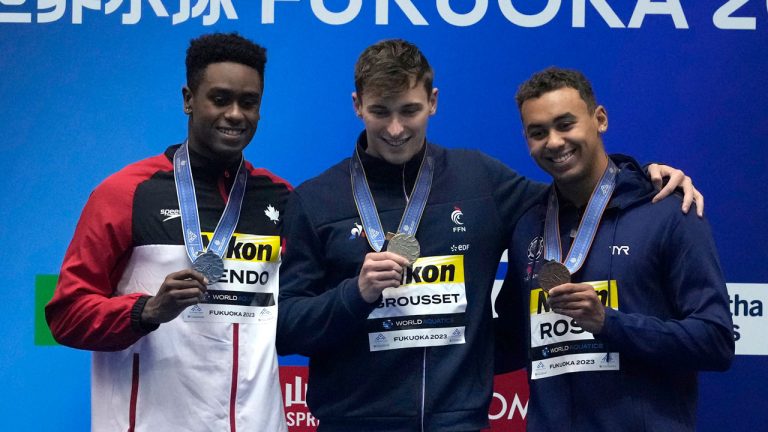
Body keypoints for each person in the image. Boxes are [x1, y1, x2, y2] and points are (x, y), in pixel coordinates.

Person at [276, 39, 700, 431]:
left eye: (409, 110)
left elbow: (574, 195)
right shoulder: (316, 200)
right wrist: (357, 292)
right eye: (379, 111)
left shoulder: (478, 178)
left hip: (459, 422)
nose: (394, 128)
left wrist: (641, 176)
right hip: (353, 422)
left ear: (433, 102)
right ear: (357, 106)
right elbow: (287, 328)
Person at [46, 33, 290, 432]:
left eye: (249, 103)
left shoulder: (281, 197)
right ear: (189, 99)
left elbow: (304, 308)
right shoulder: (125, 192)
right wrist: (148, 310)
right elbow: (65, 315)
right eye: (220, 98)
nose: (235, 114)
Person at [495, 67, 734, 431]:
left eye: (566, 124)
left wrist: (609, 323)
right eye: (538, 133)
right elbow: (513, 339)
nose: (555, 142)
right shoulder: (527, 224)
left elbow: (715, 341)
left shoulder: (669, 210)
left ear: (600, 119)